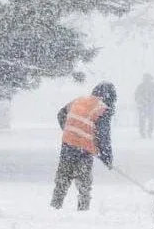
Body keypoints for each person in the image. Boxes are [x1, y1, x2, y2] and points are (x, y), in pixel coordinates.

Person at [50, 82, 117, 211]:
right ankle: (83, 210)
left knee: (63, 178)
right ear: (110, 97)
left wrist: (70, 131)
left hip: (68, 145)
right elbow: (103, 136)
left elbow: (61, 114)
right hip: (84, 150)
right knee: (84, 183)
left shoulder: (79, 100)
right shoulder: (102, 108)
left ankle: (55, 207)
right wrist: (107, 158)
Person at [135, 74, 154, 138]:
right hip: (144, 106)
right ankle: (144, 133)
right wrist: (141, 101)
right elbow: (137, 95)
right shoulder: (141, 86)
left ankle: (148, 132)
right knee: (144, 120)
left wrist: (152, 101)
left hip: (148, 106)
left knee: (148, 120)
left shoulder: (152, 86)